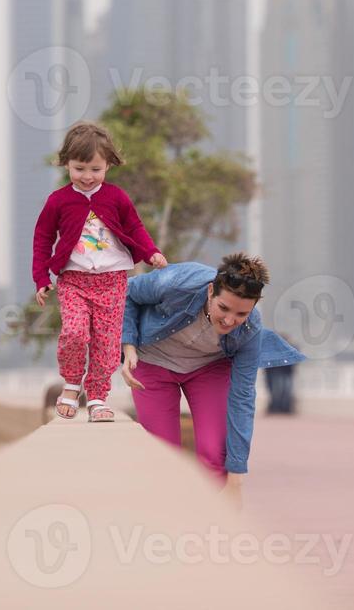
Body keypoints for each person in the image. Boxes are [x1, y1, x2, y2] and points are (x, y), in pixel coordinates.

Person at [119, 254, 305, 491]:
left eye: (241, 314)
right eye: (223, 308)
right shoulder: (178, 282)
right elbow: (126, 292)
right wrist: (129, 345)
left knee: (214, 454)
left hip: (208, 369)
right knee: (164, 456)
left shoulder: (251, 329)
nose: (229, 320)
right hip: (153, 361)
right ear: (210, 292)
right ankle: (167, 522)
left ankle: (209, 521)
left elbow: (243, 400)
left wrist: (236, 478)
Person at [32, 121, 168, 423]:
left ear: (108, 165)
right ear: (67, 163)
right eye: (80, 168)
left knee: (107, 343)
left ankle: (96, 396)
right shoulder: (58, 200)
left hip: (113, 280)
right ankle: (71, 384)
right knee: (74, 332)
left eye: (96, 169)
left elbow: (134, 227)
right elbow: (42, 238)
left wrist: (151, 252)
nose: (87, 177)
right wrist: (41, 278)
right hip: (73, 280)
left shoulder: (116, 197)